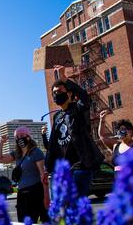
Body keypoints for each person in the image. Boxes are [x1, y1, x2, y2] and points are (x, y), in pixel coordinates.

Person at [44, 65, 104, 197]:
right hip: (62, 169)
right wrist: (47, 168)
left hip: (80, 166)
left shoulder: (78, 108)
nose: (56, 95)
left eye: (59, 91)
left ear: (69, 93)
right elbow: (53, 144)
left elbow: (85, 98)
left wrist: (65, 79)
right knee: (61, 207)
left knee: (75, 204)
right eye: (54, 93)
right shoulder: (57, 116)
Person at [0, 126, 50, 223]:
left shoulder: (35, 152)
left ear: (28, 136)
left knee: (44, 223)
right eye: (17, 136)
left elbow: (43, 176)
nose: (19, 138)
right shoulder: (17, 154)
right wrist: (1, 143)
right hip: (22, 193)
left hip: (36, 191)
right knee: (23, 224)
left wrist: (46, 197)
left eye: (22, 135)